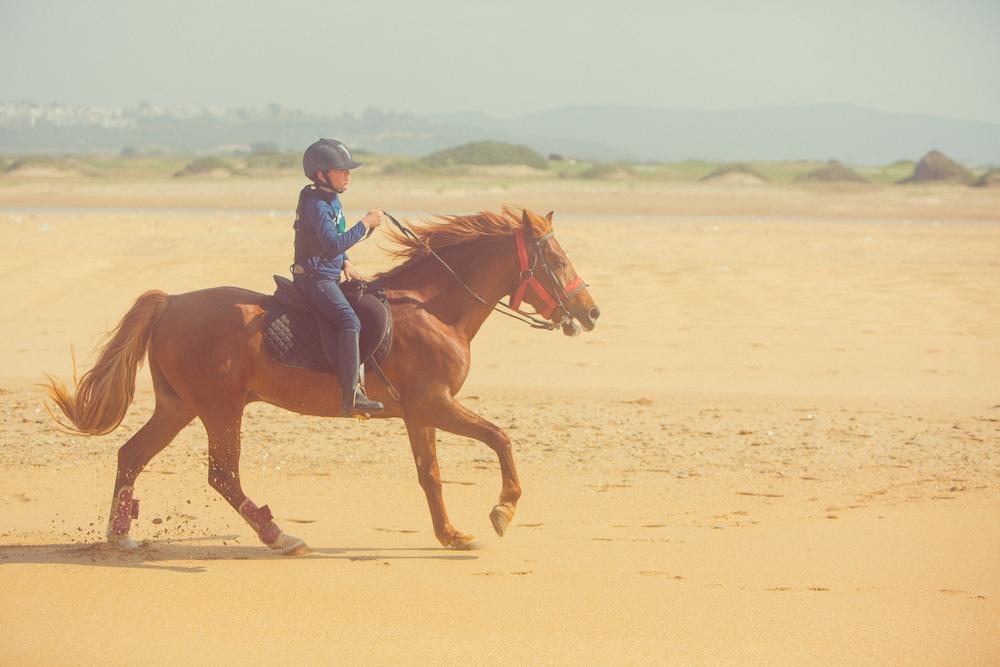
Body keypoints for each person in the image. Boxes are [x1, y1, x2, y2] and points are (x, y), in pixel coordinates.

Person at [292, 138, 385, 416]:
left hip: (329, 273)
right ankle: (351, 395)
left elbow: (325, 244)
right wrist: (365, 224)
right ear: (321, 175)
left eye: (348, 170)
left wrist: (345, 262)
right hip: (315, 279)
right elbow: (332, 243)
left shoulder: (330, 199)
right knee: (349, 320)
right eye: (341, 170)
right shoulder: (317, 205)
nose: (348, 175)